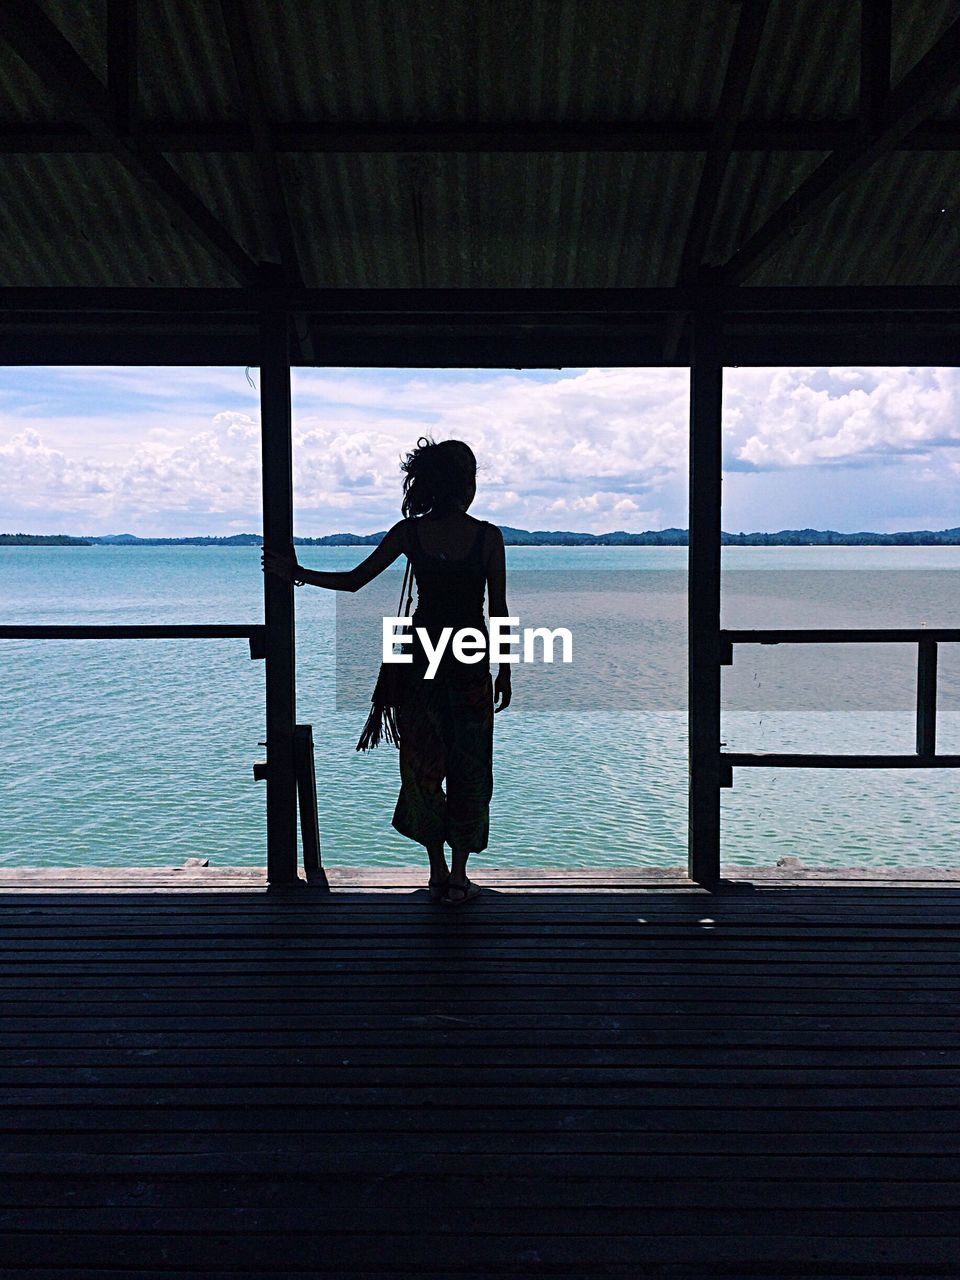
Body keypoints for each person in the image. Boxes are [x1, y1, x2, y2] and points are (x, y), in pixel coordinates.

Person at [262, 437, 511, 906]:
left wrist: (295, 572)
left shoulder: (410, 533)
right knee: (470, 767)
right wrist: (505, 670)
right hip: (469, 661)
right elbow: (497, 610)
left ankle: (437, 871)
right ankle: (459, 876)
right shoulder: (487, 537)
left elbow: (354, 582)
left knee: (421, 766)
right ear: (466, 483)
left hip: (417, 663)